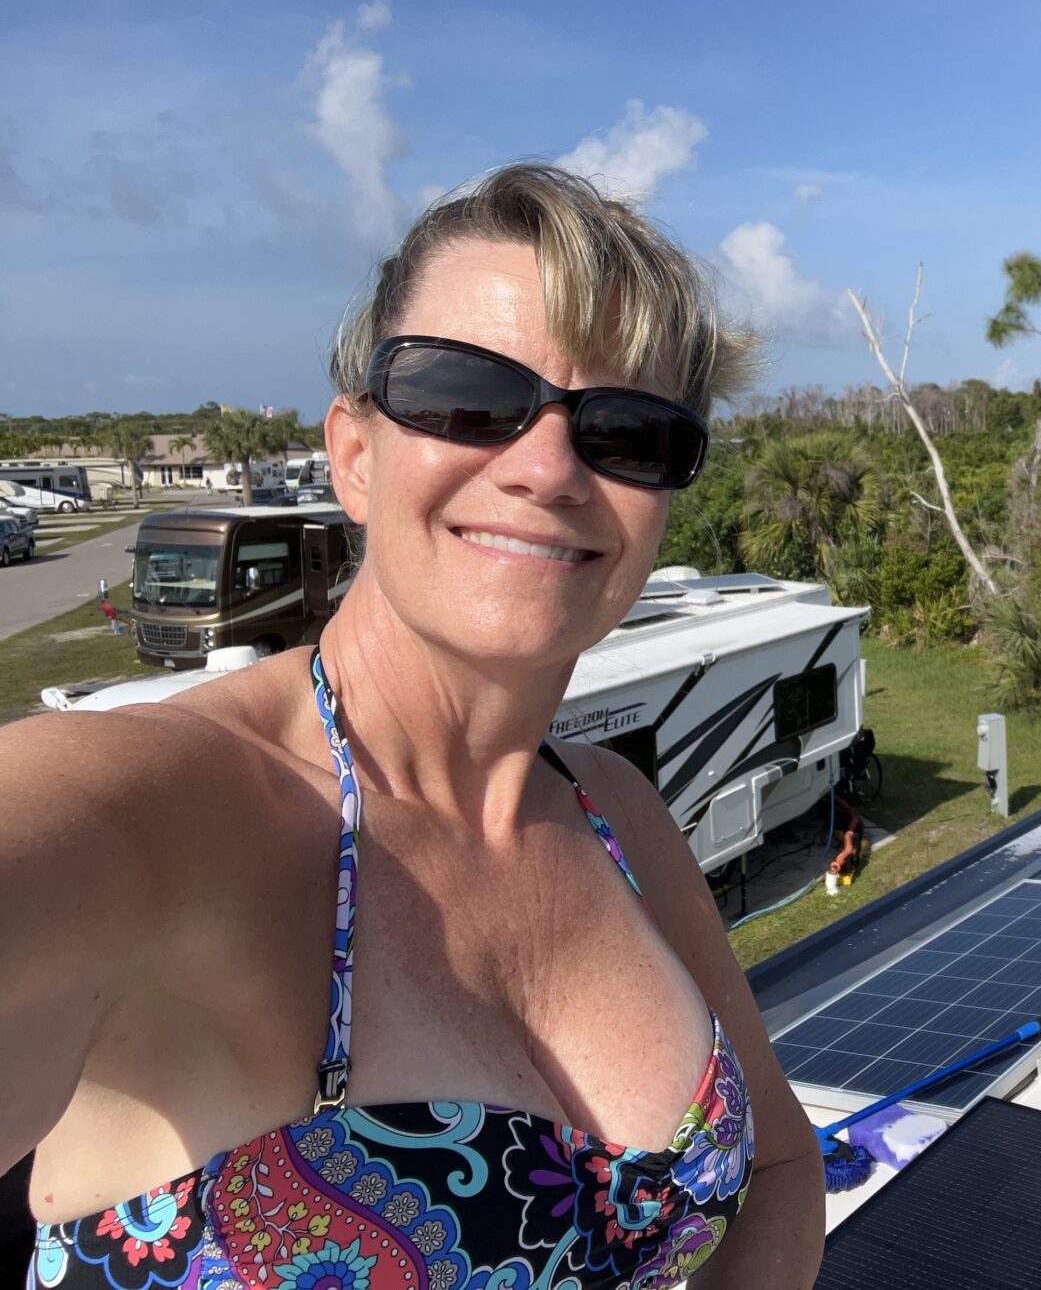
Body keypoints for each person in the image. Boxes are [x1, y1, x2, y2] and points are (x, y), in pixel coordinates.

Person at [0, 164, 824, 1290]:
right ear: (353, 455)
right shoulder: (163, 807)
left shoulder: (613, 810)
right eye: (467, 396)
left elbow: (779, 1162)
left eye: (628, 432)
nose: (546, 468)